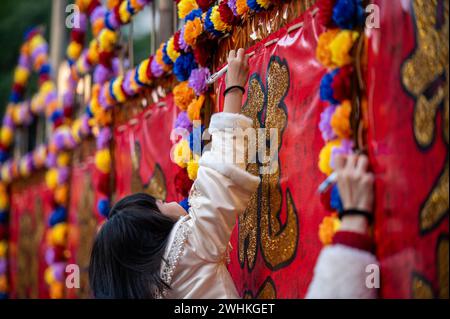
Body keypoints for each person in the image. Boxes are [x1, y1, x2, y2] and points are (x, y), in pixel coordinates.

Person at [89, 48, 378, 299]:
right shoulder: (185, 252)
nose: (169, 201)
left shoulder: (152, 286)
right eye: (160, 205)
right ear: (154, 233)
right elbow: (218, 176)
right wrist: (234, 89)